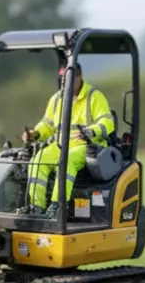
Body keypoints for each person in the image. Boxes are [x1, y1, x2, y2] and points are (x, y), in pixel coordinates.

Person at [21, 65, 115, 215]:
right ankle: (36, 206)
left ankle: (58, 206)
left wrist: (91, 131)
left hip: (88, 146)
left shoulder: (94, 96)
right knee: (38, 159)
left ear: (79, 77)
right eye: (62, 79)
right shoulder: (57, 99)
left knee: (66, 160)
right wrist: (35, 134)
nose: (64, 83)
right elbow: (47, 124)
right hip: (61, 145)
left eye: (68, 79)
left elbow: (107, 122)